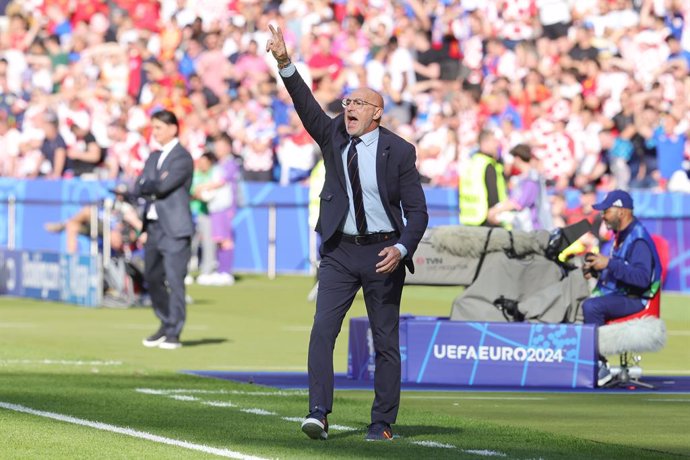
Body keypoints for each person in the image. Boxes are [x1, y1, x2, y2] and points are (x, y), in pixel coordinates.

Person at [266, 24, 428, 442]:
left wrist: (402, 247)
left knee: (385, 340)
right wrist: (284, 63)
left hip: (382, 253)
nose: (348, 107)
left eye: (358, 102)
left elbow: (418, 212)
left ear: (377, 112)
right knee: (322, 330)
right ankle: (318, 412)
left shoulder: (401, 151)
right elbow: (305, 104)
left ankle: (382, 422)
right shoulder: (334, 133)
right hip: (339, 250)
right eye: (346, 101)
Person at [581, 190, 661, 386]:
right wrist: (598, 270)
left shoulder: (638, 239)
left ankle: (600, 366)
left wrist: (608, 264)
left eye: (606, 211)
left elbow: (641, 279)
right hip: (624, 294)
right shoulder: (622, 236)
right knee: (579, 302)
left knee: (592, 307)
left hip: (638, 300)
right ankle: (586, 362)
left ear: (622, 212)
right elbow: (622, 271)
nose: (603, 216)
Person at [134, 109, 194, 350]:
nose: (154, 132)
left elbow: (162, 186)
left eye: (158, 127)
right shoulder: (153, 156)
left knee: (174, 280)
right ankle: (165, 321)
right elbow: (140, 185)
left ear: (173, 128)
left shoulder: (182, 157)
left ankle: (174, 332)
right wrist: (150, 185)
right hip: (154, 227)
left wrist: (150, 184)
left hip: (175, 228)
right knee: (152, 277)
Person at [459, 129, 507, 227]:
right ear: (484, 143)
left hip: (469, 217)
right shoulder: (487, 164)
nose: (496, 145)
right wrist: (496, 213)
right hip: (487, 219)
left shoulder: (471, 162)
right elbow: (493, 194)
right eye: (493, 141)